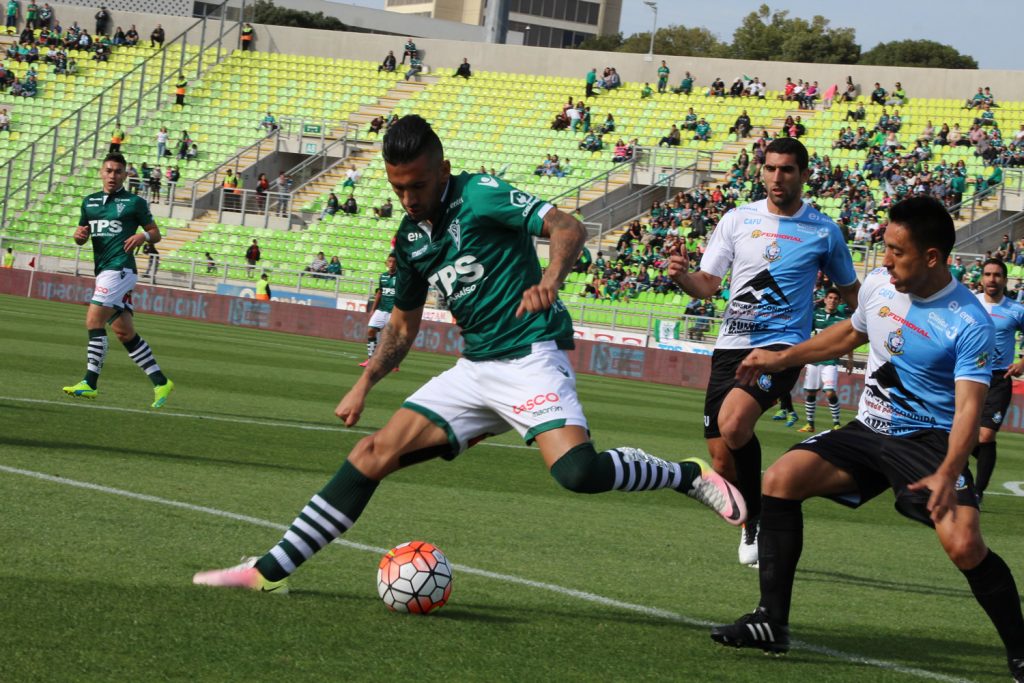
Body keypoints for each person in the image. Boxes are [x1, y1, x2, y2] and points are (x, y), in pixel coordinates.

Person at [193, 114, 746, 595]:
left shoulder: (480, 194)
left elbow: (567, 225)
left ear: (443, 169)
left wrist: (551, 277)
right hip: (475, 368)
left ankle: (683, 475)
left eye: (418, 185)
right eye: (397, 188)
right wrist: (366, 381)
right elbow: (404, 326)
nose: (408, 198)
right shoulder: (408, 240)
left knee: (578, 473)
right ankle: (268, 570)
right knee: (370, 455)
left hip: (530, 356)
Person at [710, 197, 1024, 682]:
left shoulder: (969, 322)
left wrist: (947, 470)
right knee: (780, 479)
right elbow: (845, 337)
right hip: (868, 429)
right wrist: (779, 358)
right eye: (884, 248)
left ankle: (1021, 652)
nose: (885, 261)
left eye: (897, 251)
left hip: (928, 442)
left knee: (964, 544)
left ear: (933, 258)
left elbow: (967, 409)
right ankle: (771, 622)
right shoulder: (879, 287)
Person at [667, 137, 860, 567]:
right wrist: (682, 277)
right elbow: (707, 284)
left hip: (781, 348)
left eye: (787, 169)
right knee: (722, 458)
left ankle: (757, 522)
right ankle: (754, 513)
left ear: (805, 175)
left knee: (734, 423)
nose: (777, 177)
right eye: (770, 168)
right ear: (761, 171)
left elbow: (853, 296)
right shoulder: (737, 219)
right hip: (730, 347)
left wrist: (882, 332)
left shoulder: (824, 231)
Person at [61, 153, 174, 408]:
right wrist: (78, 236)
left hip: (120, 269)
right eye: (109, 170)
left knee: (93, 319)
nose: (113, 175)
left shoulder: (134, 202)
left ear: (125, 175)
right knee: (123, 332)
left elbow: (156, 234)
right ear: (102, 172)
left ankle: (90, 382)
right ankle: (160, 381)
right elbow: (82, 236)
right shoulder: (89, 203)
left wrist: (142, 236)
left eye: (118, 171)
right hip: (104, 270)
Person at [972, 258, 1024, 504]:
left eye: (997, 275)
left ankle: (977, 492)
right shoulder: (970, 304)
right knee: (954, 432)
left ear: (1005, 279)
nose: (992, 279)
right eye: (988, 274)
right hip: (969, 376)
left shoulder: (1016, 310)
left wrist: (1023, 362)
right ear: (982, 278)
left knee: (985, 437)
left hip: (999, 379)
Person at [796, 288, 850, 433]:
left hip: (831, 361)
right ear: (825, 299)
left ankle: (837, 423)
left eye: (835, 298)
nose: (832, 300)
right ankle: (810, 424)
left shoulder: (842, 319)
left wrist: (850, 359)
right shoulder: (816, 315)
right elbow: (806, 333)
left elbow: (849, 339)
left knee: (829, 392)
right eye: (830, 298)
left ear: (839, 301)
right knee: (810, 392)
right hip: (814, 359)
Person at [359, 254, 398, 368]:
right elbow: (379, 293)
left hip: (393, 311)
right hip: (381, 309)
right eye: (389, 261)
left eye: (393, 262)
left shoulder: (400, 277)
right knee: (371, 330)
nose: (391, 264)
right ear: (386, 263)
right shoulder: (383, 277)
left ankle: (394, 362)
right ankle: (371, 359)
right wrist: (373, 309)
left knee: (391, 337)